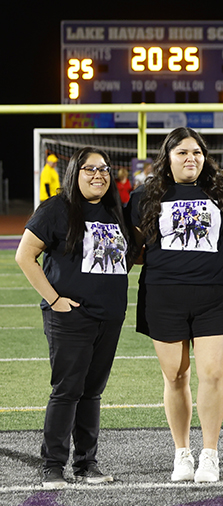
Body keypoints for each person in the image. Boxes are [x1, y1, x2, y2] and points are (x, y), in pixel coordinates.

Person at [16, 147, 135, 488]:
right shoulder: (57, 208)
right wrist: (54, 300)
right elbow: (25, 256)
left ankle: (86, 465)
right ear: (75, 173)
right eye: (89, 169)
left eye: (104, 169)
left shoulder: (115, 212)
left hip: (108, 317)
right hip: (70, 315)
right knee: (67, 389)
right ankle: (53, 466)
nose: (98, 174)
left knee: (92, 392)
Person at [132, 127, 223, 483]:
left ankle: (210, 454)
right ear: (168, 157)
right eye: (182, 152)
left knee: (211, 374)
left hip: (212, 294)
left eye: (196, 152)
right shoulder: (147, 194)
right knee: (175, 375)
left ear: (204, 156)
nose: (190, 158)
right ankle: (182, 452)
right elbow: (131, 245)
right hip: (162, 294)